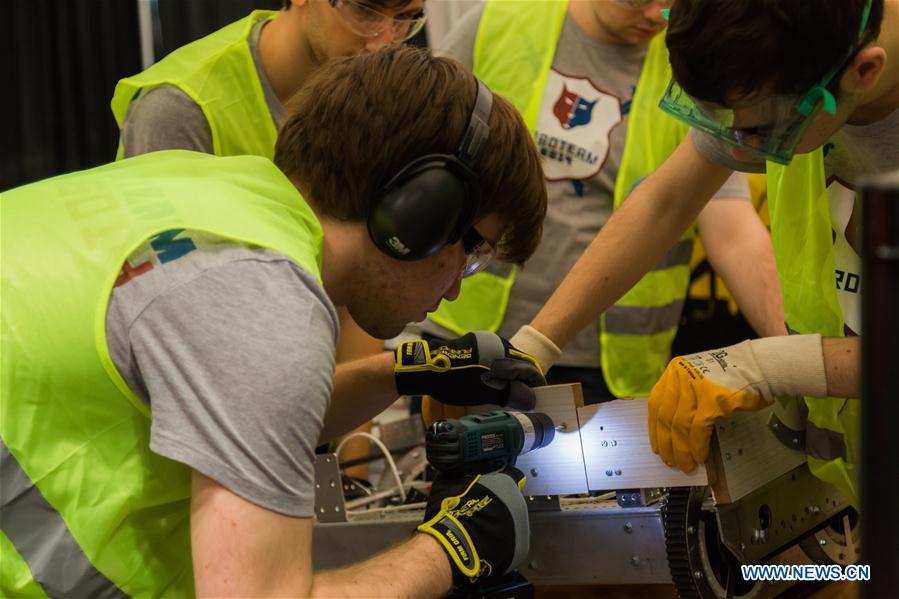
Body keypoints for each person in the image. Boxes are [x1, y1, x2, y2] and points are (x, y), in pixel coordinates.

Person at [1, 46, 548, 597]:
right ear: (424, 208)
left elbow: (229, 404)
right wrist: (450, 549)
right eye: (473, 250)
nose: (457, 285)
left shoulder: (206, 196)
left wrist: (402, 374)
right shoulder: (259, 293)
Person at [509, 0, 896, 508]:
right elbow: (664, 203)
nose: (737, 154)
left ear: (862, 72)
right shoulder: (780, 64)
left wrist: (767, 365)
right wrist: (533, 347)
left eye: (759, 133)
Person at [410, 0, 783, 416]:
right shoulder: (498, 22)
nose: (657, 15)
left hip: (607, 373)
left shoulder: (692, 65)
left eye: (671, 2)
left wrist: (791, 355)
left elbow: (732, 230)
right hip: (465, 340)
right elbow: (411, 156)